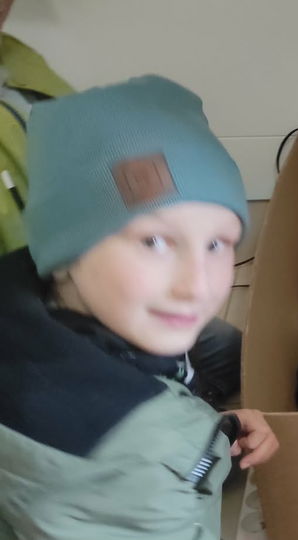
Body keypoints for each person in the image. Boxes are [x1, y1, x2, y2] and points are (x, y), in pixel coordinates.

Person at [0, 75, 278, 539]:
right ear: (65, 252)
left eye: (216, 243)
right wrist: (195, 446)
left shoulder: (27, 293)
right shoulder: (146, 468)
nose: (196, 286)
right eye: (154, 241)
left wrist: (220, 430)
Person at [0, 0, 242, 408]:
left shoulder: (20, 66)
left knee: (231, 351)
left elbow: (96, 159)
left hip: (91, 280)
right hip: (41, 326)